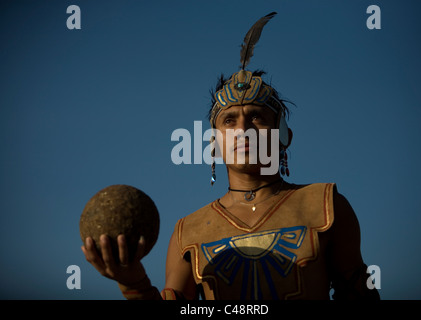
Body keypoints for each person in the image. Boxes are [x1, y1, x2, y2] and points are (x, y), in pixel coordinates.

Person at [82, 13, 380, 301]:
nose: (243, 130)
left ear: (283, 137)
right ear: (214, 144)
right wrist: (133, 283)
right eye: (229, 121)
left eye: (257, 118)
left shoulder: (326, 205)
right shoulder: (188, 231)